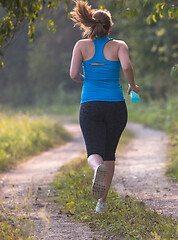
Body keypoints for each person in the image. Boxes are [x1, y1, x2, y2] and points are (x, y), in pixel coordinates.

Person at [69, 0, 140, 213]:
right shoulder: (119, 45)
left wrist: (88, 79)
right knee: (109, 153)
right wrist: (132, 85)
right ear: (110, 27)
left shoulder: (81, 46)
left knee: (94, 151)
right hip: (115, 106)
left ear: (90, 26)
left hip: (90, 104)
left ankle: (96, 168)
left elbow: (73, 75)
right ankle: (102, 204)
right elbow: (126, 65)